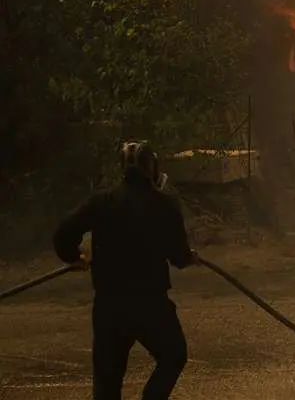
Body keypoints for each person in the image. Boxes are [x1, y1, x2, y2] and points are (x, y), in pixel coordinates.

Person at [53, 141, 198, 400]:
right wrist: (188, 258)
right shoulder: (165, 205)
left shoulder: (102, 201)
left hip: (110, 307)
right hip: (150, 305)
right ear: (151, 167)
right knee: (173, 355)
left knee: (107, 383)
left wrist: (73, 257)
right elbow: (178, 256)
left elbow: (64, 232)